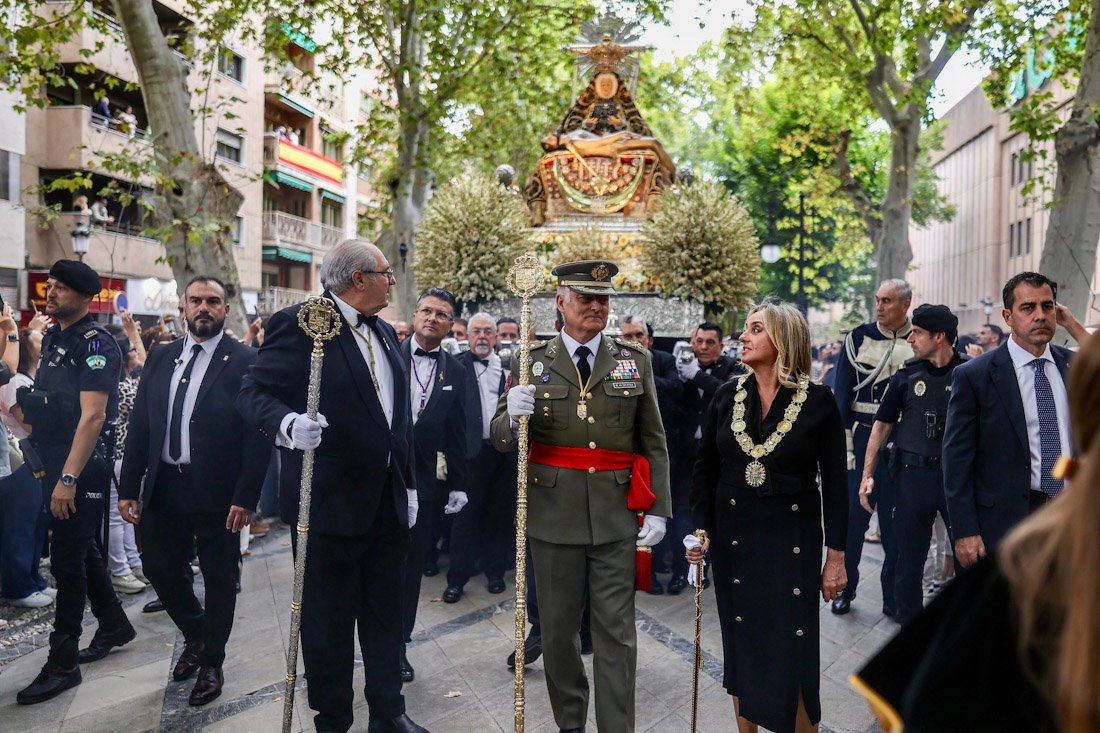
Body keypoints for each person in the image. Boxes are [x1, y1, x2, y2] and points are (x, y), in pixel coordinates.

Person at [851, 328, 1099, 733]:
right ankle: (905, 616)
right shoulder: (941, 375)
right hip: (922, 483)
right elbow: (939, 445)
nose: (913, 339)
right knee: (907, 563)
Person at [236, 240, 429, 733]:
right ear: (359, 278)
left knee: (387, 615)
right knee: (327, 623)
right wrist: (287, 423)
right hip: (328, 506)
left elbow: (396, 420)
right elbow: (253, 392)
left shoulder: (386, 333)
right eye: (387, 272)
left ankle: (389, 711)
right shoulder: (302, 323)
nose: (393, 280)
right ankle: (333, 718)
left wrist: (406, 484)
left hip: (387, 503)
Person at [490, 259, 671, 733]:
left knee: (617, 634)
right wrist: (511, 417)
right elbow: (498, 439)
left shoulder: (635, 360)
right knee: (558, 633)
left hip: (615, 517)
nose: (596, 306)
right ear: (561, 302)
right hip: (552, 517)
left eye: (603, 299)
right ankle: (571, 722)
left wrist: (658, 508)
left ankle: (616, 728)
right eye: (586, 298)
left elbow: (653, 441)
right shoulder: (529, 360)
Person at [688, 300, 846, 733]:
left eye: (755, 329)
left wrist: (836, 558)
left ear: (783, 340)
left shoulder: (818, 402)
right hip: (734, 542)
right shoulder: (726, 395)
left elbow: (835, 484)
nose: (742, 336)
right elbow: (704, 470)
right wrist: (700, 530)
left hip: (790, 542)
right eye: (745, 329)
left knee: (791, 651)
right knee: (743, 647)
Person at [118, 276, 267, 705]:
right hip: (165, 485)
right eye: (196, 300)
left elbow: (256, 437)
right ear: (183, 306)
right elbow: (142, 425)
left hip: (219, 493)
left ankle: (212, 661)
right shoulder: (162, 357)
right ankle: (197, 633)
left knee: (221, 577)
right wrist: (130, 486)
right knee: (160, 568)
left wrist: (246, 497)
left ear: (226, 309)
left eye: (213, 302)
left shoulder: (245, 360)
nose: (204, 307)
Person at [16, 260, 135, 705]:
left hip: (79, 467)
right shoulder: (52, 337)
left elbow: (94, 416)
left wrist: (68, 478)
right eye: (51, 286)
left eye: (62, 288)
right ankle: (113, 623)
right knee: (80, 548)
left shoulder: (95, 343)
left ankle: (62, 662)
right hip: (51, 460)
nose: (52, 293)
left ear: (86, 297)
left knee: (66, 562)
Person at [943, 272, 1087, 568]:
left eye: (1048, 307)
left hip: (1069, 517)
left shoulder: (1072, 366)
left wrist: (1072, 324)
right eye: (1028, 308)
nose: (1040, 315)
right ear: (1007, 316)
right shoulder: (976, 375)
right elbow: (956, 461)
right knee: (1005, 612)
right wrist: (965, 531)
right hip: (1003, 523)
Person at [857, 304, 966, 625]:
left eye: (917, 332)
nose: (911, 338)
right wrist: (867, 475)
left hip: (954, 480)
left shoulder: (970, 373)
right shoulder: (906, 375)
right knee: (908, 561)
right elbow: (882, 425)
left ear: (940, 336)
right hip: (912, 478)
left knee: (966, 556)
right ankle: (909, 625)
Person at [400, 288, 470, 683]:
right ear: (414, 315)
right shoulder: (387, 356)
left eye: (441, 314)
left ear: (450, 324)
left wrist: (459, 483)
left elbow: (458, 432)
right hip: (377, 478)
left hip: (424, 483)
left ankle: (399, 646)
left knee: (411, 570)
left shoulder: (456, 371)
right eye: (426, 310)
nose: (432, 318)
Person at [831, 279, 912, 617]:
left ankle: (892, 597)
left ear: (905, 305)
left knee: (896, 524)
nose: (879, 307)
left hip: (903, 440)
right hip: (863, 436)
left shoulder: (917, 337)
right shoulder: (857, 338)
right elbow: (842, 396)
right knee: (854, 522)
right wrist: (842, 445)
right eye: (877, 300)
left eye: (888, 301)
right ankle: (844, 589)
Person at [445, 313, 513, 602]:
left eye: (488, 331)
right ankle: (456, 579)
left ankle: (495, 573)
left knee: (498, 517)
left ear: (497, 337)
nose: (482, 336)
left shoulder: (511, 370)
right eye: (476, 331)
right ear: (468, 336)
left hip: (502, 455)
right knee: (465, 519)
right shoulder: (456, 367)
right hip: (468, 455)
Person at [672, 321, 740, 594]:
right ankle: (680, 571)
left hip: (716, 456)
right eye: (698, 341)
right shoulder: (683, 364)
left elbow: (732, 393)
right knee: (680, 512)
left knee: (710, 513)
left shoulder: (732, 368)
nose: (702, 347)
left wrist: (697, 375)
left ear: (721, 347)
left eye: (710, 342)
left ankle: (704, 569)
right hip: (686, 451)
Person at [620, 314, 681, 594]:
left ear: (649, 339)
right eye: (627, 336)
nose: (633, 341)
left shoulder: (664, 360)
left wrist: (639, 374)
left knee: (661, 513)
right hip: (626, 452)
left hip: (661, 449)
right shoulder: (613, 362)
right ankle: (639, 572)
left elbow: (676, 388)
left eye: (638, 336)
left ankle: (657, 570)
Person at [0, 315, 52, 609]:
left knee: (34, 524)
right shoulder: (14, 380)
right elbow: (28, 424)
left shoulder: (28, 378)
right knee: (20, 526)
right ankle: (18, 586)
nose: (44, 341)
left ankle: (32, 581)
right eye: (37, 337)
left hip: (29, 458)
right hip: (20, 459)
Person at [104, 332, 146, 595]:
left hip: (123, 459)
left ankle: (133, 564)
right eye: (130, 349)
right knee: (118, 519)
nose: (134, 354)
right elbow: (148, 400)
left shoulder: (124, 384)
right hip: (117, 457)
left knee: (127, 517)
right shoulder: (122, 387)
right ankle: (120, 571)